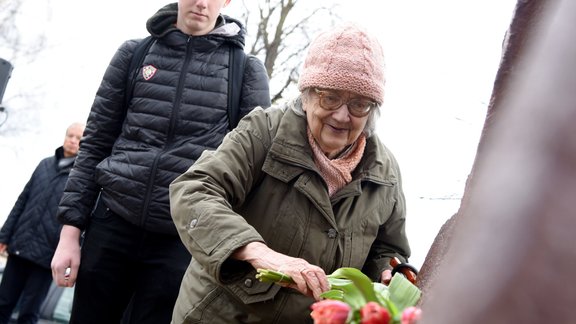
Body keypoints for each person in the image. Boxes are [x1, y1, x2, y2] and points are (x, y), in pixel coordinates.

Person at [169, 23, 411, 323]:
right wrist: (259, 253)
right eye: (330, 97)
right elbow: (194, 190)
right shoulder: (263, 132)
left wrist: (391, 272)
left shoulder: (385, 173)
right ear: (307, 94)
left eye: (359, 104)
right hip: (222, 315)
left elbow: (388, 249)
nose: (342, 115)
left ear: (372, 109)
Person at [49, 1, 271, 323]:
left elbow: (249, 171)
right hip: (112, 224)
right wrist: (70, 234)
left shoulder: (246, 70)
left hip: (182, 239)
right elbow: (95, 142)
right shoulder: (134, 54)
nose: (200, 3)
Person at [0, 122, 85, 324]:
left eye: (79, 138)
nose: (73, 141)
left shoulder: (82, 176)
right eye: (70, 135)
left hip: (47, 257)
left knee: (29, 313)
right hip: (20, 247)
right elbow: (23, 200)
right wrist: (4, 236)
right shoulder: (44, 164)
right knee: (3, 304)